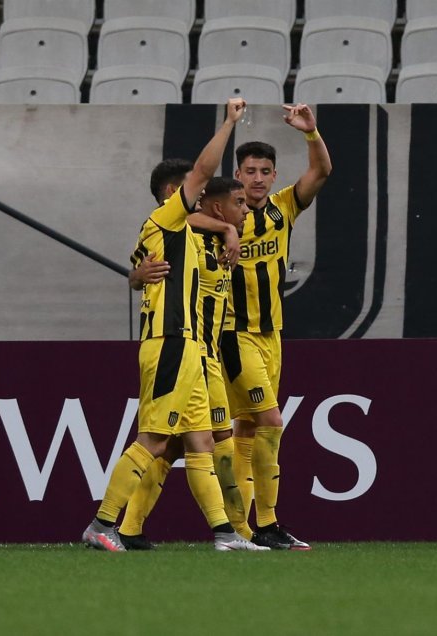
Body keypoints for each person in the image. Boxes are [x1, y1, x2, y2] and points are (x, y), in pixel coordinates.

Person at [81, 99, 264, 552]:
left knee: (201, 441)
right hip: (171, 342)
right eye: (189, 191)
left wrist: (136, 276)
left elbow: (139, 272)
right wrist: (229, 123)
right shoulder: (167, 219)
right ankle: (103, 525)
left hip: (190, 349)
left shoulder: (179, 233)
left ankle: (225, 533)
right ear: (171, 195)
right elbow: (204, 170)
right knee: (155, 440)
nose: (198, 197)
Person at [118, 176, 251, 549]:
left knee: (187, 443)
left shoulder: (214, 233)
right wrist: (137, 276)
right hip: (185, 350)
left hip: (205, 351)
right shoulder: (178, 231)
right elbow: (136, 271)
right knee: (202, 439)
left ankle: (130, 528)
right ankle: (236, 530)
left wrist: (228, 229)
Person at [221, 104, 332, 550]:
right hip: (234, 333)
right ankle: (265, 524)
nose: (259, 178)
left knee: (248, 429)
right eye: (250, 171)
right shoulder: (223, 215)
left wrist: (311, 133)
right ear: (238, 174)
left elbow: (322, 171)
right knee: (271, 421)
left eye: (266, 171)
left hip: (272, 335)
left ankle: (240, 532)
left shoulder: (283, 208)